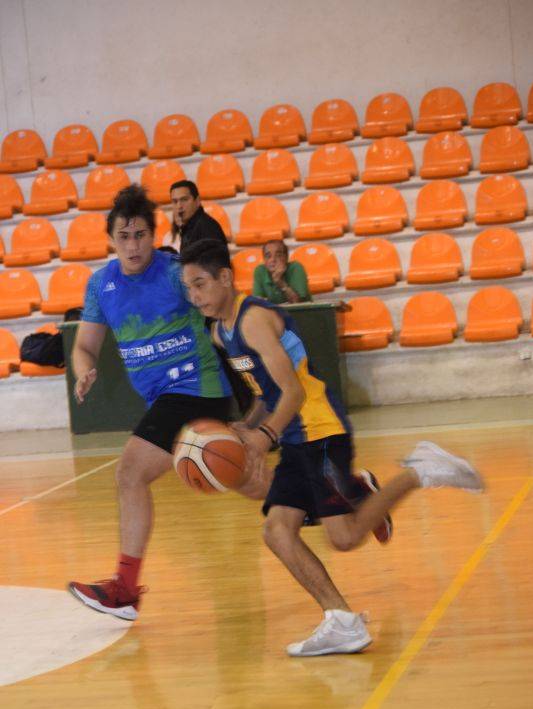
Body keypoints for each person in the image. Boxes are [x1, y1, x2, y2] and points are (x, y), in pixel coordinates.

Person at [180, 238, 484, 658]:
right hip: (296, 436)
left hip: (321, 429)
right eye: (188, 288)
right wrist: (245, 425)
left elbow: (293, 392)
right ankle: (341, 620)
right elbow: (267, 392)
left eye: (200, 284)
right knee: (277, 531)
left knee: (345, 537)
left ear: (226, 278)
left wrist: (262, 437)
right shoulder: (220, 331)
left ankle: (420, 470)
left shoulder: (253, 320)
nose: (194, 296)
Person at [68, 186, 268, 622]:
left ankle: (125, 590)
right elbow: (84, 346)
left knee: (130, 472)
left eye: (141, 235)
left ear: (153, 235)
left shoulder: (177, 273)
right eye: (124, 237)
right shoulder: (101, 285)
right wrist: (84, 369)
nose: (133, 245)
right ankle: (333, 497)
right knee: (247, 481)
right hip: (165, 397)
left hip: (197, 387)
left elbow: (224, 307)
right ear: (111, 239)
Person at [162, 180, 227, 253]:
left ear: (197, 201)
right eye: (175, 201)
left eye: (184, 200)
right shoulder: (189, 227)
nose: (179, 206)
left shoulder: (207, 227)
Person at [252, 240, 311, 304]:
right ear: (264, 260)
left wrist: (280, 282)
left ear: (286, 257)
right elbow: (257, 303)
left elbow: (298, 303)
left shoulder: (296, 268)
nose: (273, 260)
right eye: (268, 256)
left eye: (278, 255)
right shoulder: (260, 271)